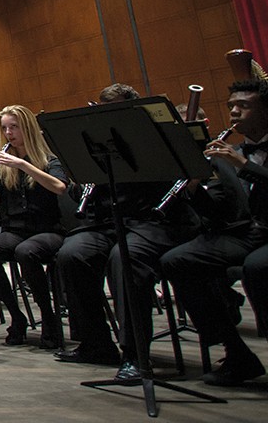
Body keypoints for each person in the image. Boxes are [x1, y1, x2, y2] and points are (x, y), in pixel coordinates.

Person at [54, 83, 198, 371]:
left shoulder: (153, 140)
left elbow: (178, 184)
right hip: (110, 222)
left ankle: (134, 352)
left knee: (126, 259)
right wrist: (79, 176)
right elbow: (81, 196)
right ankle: (96, 344)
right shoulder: (99, 145)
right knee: (71, 254)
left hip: (153, 221)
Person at [160, 78, 268, 386]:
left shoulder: (238, 157)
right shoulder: (232, 152)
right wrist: (194, 187)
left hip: (263, 235)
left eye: (243, 106)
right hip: (248, 232)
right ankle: (236, 351)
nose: (234, 113)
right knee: (177, 260)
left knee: (257, 267)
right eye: (231, 106)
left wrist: (245, 165)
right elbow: (221, 208)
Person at [0, 104, 68, 348]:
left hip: (47, 230)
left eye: (14, 127)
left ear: (27, 128)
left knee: (26, 252)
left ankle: (49, 319)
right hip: (15, 230)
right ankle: (17, 317)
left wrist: (24, 165)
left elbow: (59, 187)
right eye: (5, 128)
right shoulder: (4, 164)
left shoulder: (49, 160)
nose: (9, 133)